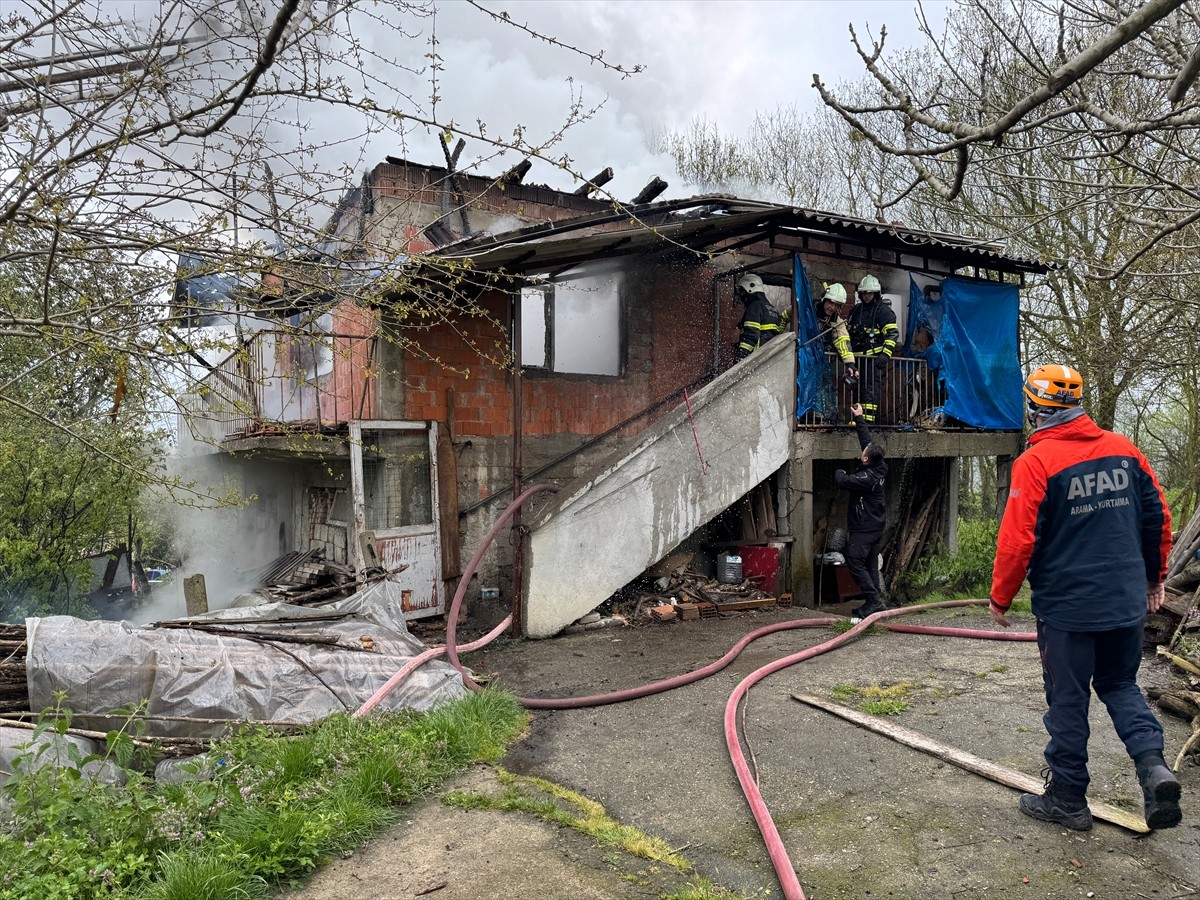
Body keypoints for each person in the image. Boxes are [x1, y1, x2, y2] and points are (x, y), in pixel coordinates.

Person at [990, 364, 1180, 832]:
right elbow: (1158, 518)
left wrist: (1000, 598)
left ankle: (1067, 798)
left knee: (1068, 699)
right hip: (1124, 603)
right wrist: (1154, 579)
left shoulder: (1035, 462)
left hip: (1068, 609)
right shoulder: (1124, 450)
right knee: (1119, 685)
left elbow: (1017, 540)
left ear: (1034, 409)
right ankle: (1154, 767)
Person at [834, 402, 888, 618]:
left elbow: (843, 480)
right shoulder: (879, 464)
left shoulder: (867, 478)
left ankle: (873, 600)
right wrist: (859, 418)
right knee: (870, 564)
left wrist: (838, 469)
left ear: (865, 459)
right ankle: (874, 602)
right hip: (876, 525)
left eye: (863, 452)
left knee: (854, 560)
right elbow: (867, 441)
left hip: (864, 528)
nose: (863, 449)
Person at [846, 274, 898, 424]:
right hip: (857, 359)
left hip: (874, 360)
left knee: (870, 389)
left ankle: (868, 421)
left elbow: (892, 334)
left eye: (870, 293)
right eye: (864, 293)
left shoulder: (883, 311)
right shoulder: (856, 310)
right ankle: (858, 419)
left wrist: (885, 354)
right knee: (856, 388)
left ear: (876, 293)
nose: (867, 296)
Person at [734, 273, 784, 361]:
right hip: (768, 356)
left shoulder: (755, 306)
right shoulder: (772, 309)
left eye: (742, 291)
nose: (742, 296)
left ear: (749, 289)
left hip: (756, 356)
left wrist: (742, 354)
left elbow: (751, 333)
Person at [815, 282, 857, 379]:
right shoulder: (809, 309)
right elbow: (787, 315)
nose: (833, 308)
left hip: (819, 359)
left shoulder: (836, 320)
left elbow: (843, 340)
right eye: (831, 302)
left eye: (837, 305)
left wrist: (850, 363)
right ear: (824, 299)